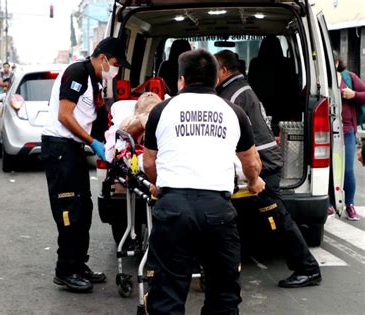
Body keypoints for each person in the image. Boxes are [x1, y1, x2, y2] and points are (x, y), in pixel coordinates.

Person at [143, 48, 265, 314]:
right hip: (217, 211)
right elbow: (251, 162)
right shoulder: (233, 111)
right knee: (223, 294)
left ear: (182, 80)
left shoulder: (161, 110)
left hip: (173, 208)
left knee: (167, 295)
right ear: (215, 80)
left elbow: (149, 162)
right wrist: (255, 181)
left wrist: (158, 183)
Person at [215, 50, 322, 288]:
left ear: (223, 71)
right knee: (267, 217)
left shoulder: (234, 95)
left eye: (213, 70)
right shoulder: (238, 89)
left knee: (277, 217)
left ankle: (308, 268)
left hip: (264, 165)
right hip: (264, 162)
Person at [41, 37, 131, 293]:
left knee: (84, 208)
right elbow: (65, 115)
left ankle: (79, 264)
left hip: (73, 149)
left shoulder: (95, 81)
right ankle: (65, 270)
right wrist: (94, 142)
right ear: (102, 57)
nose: (115, 69)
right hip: (60, 149)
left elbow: (97, 119)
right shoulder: (77, 72)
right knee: (69, 211)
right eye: (114, 63)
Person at [333, 51, 365, 221]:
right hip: (326, 131)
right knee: (329, 168)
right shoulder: (320, 77)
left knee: (347, 170)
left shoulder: (349, 77)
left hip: (347, 130)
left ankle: (350, 205)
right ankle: (329, 205)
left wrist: (354, 95)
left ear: (337, 63)